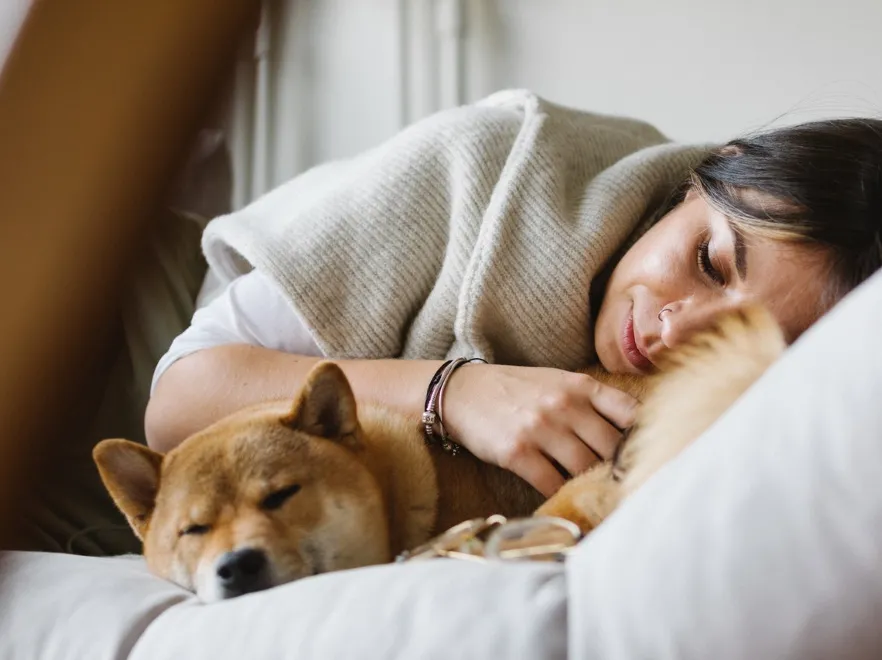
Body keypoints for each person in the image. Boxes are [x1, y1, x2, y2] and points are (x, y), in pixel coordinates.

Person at [146, 90, 882, 498]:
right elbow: (176, 405)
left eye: (737, 340)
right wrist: (455, 393)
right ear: (713, 171)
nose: (673, 331)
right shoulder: (489, 162)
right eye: (711, 263)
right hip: (137, 335)